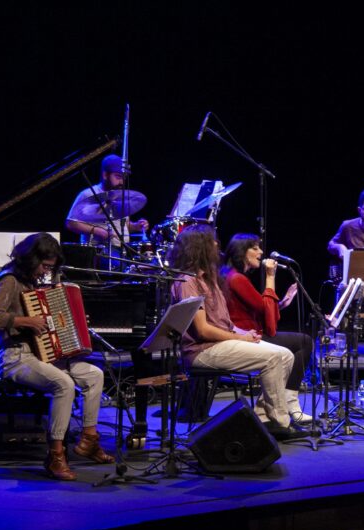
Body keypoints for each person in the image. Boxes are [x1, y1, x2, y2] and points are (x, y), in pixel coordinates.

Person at [0, 233, 113, 481]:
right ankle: (55, 455)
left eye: (50, 267)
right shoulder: (10, 279)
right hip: (16, 355)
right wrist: (26, 321)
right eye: (44, 265)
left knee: (94, 375)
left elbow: (51, 322)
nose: (46, 272)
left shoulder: (37, 281)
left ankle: (89, 439)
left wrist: (73, 322)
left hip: (43, 354)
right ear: (31, 259)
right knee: (64, 384)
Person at [166, 225, 300, 438]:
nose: (217, 244)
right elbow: (203, 330)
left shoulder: (209, 279)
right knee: (274, 357)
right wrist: (240, 337)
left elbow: (224, 323)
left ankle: (264, 418)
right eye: (212, 241)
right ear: (199, 247)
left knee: (286, 355)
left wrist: (245, 334)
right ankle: (281, 422)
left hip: (220, 344)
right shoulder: (188, 281)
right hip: (202, 351)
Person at [221, 233, 313, 422]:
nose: (261, 252)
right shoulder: (237, 279)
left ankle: (282, 403)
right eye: (255, 248)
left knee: (301, 342)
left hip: (249, 333)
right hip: (248, 336)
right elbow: (266, 316)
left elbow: (259, 310)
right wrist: (271, 277)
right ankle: (289, 402)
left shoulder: (233, 276)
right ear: (242, 252)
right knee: (304, 342)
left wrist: (281, 305)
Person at [66, 154, 150, 248]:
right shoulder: (89, 194)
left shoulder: (121, 196)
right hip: (97, 251)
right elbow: (71, 223)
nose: (122, 182)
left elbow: (123, 226)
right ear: (105, 175)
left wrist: (136, 226)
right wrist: (97, 231)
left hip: (122, 250)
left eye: (124, 177)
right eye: (118, 177)